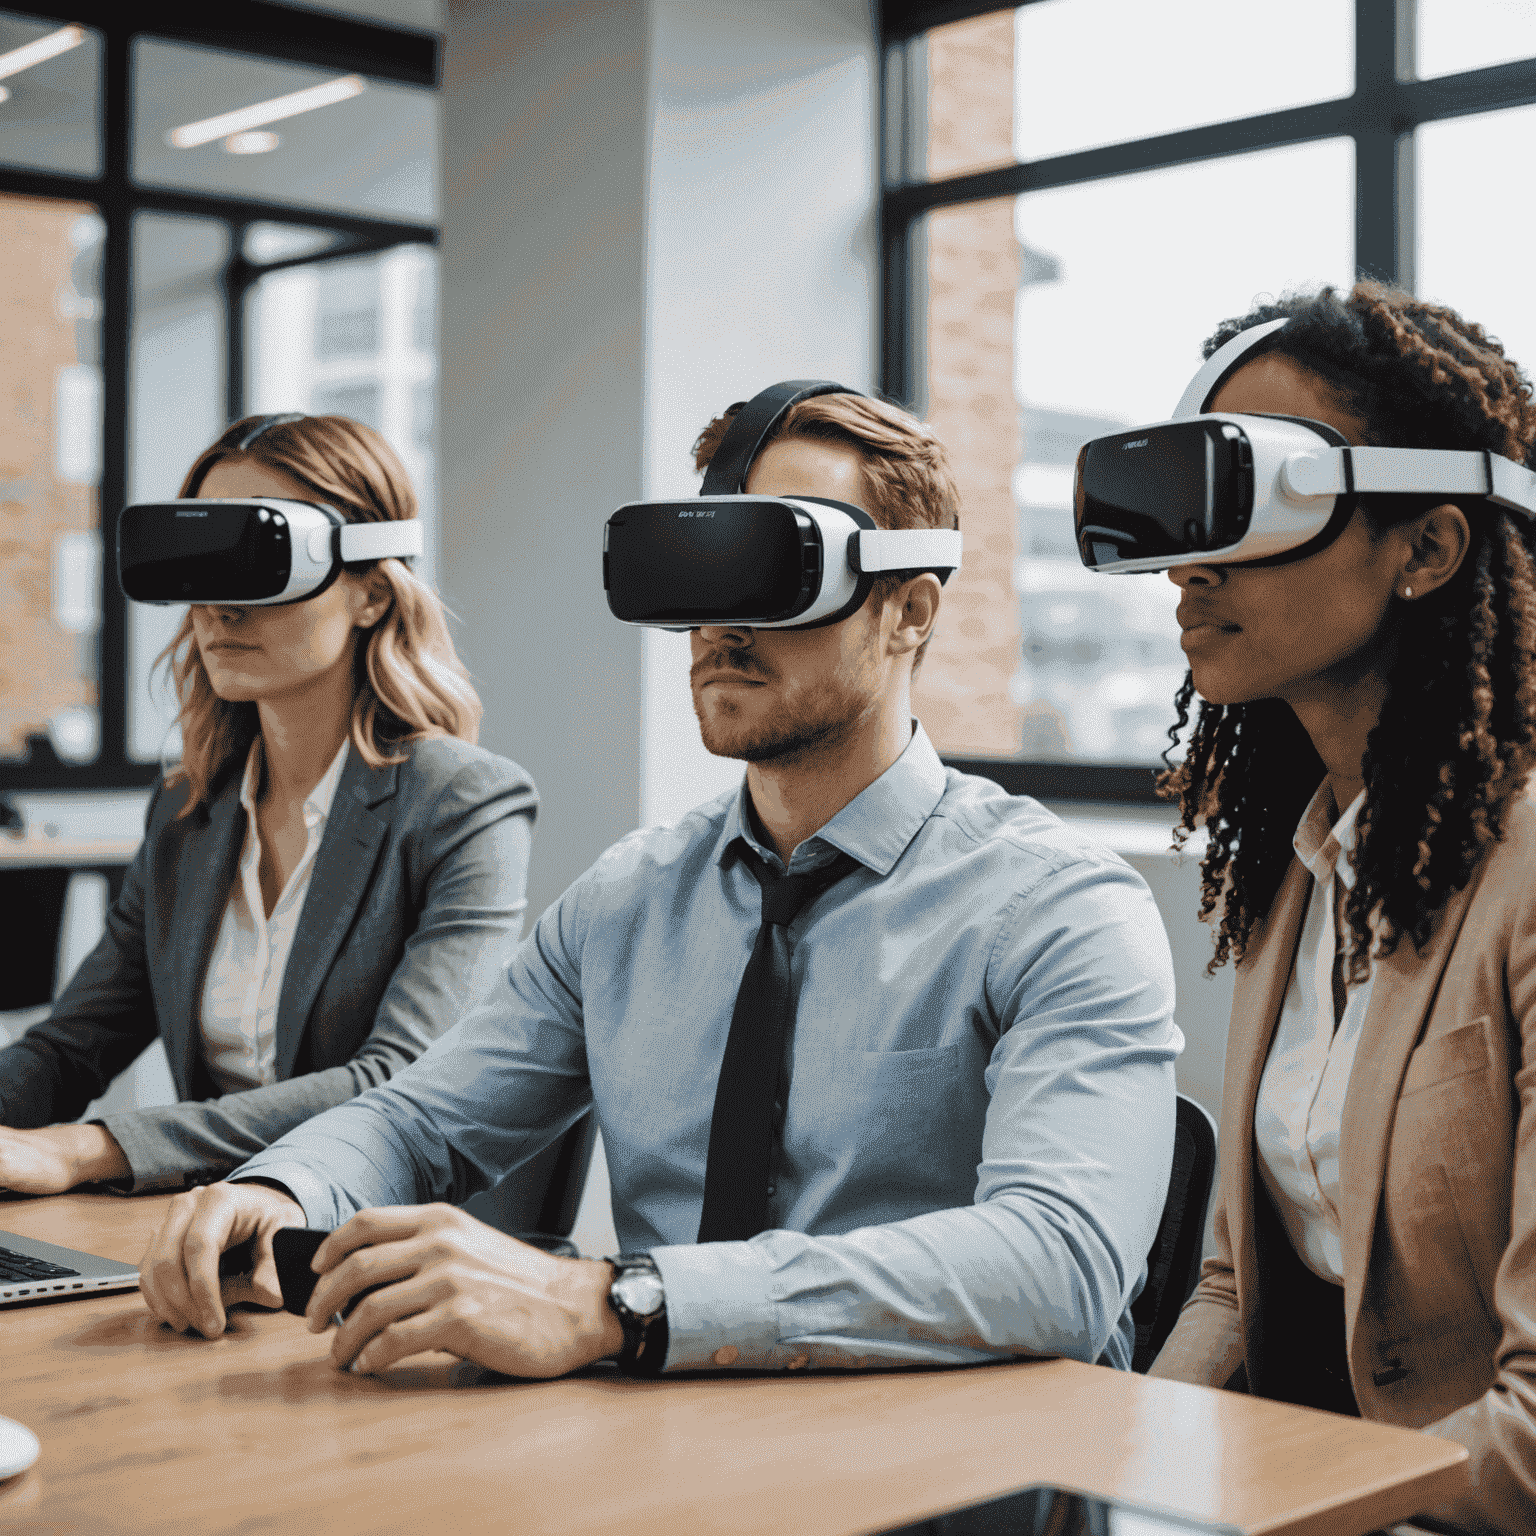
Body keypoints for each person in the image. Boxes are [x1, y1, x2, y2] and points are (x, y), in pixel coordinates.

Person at [139, 389, 1181, 1385]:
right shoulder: (624, 904)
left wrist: (620, 1304)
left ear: (908, 609)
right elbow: (419, 1122)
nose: (718, 628)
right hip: (676, 1458)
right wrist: (277, 1186)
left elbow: (1062, 1266)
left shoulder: (1059, 907)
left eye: (770, 571)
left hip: (977, 1481)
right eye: (697, 574)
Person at [1144, 284, 1536, 1535]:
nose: (1192, 565)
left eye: (1259, 500)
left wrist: (1268, 1514)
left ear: (1424, 549)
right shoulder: (1304, 863)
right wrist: (1116, 1472)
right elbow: (1230, 1288)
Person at [0, 413, 538, 1206]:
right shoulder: (188, 810)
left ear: (369, 592)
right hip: (190, 1233)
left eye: (256, 565)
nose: (217, 609)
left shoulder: (464, 803)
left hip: (371, 1249)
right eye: (198, 566)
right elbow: (71, 1046)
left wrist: (93, 1147)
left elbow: (396, 1084)